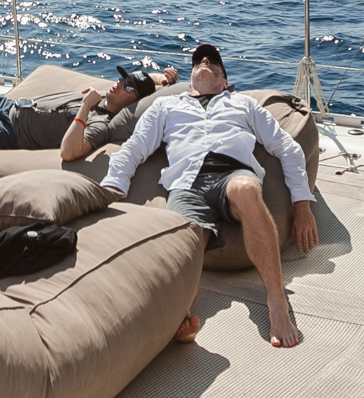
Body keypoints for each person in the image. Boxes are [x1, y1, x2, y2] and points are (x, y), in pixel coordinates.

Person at [100, 43, 318, 348]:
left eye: (214, 60)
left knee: (246, 190)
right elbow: (134, 148)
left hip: (233, 175)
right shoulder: (165, 107)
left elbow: (287, 148)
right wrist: (111, 189)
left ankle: (277, 300)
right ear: (191, 77)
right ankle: (182, 316)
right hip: (187, 184)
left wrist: (302, 206)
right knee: (184, 239)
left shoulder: (243, 104)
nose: (205, 60)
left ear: (224, 81)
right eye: (199, 60)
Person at [0, 64, 179, 172]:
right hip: (9, 106)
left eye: (127, 86)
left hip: (9, 131)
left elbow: (70, 152)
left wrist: (84, 108)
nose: (119, 84)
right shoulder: (104, 96)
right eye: (123, 78)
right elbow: (147, 84)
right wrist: (164, 80)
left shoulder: (100, 122)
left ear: (132, 102)